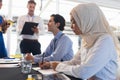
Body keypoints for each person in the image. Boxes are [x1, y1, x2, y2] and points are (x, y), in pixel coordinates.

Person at [40, 3, 120, 80]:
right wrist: (50, 64)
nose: (71, 26)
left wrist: (57, 66)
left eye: (74, 22)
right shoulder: (86, 40)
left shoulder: (105, 40)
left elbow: (84, 72)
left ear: (87, 20)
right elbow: (74, 62)